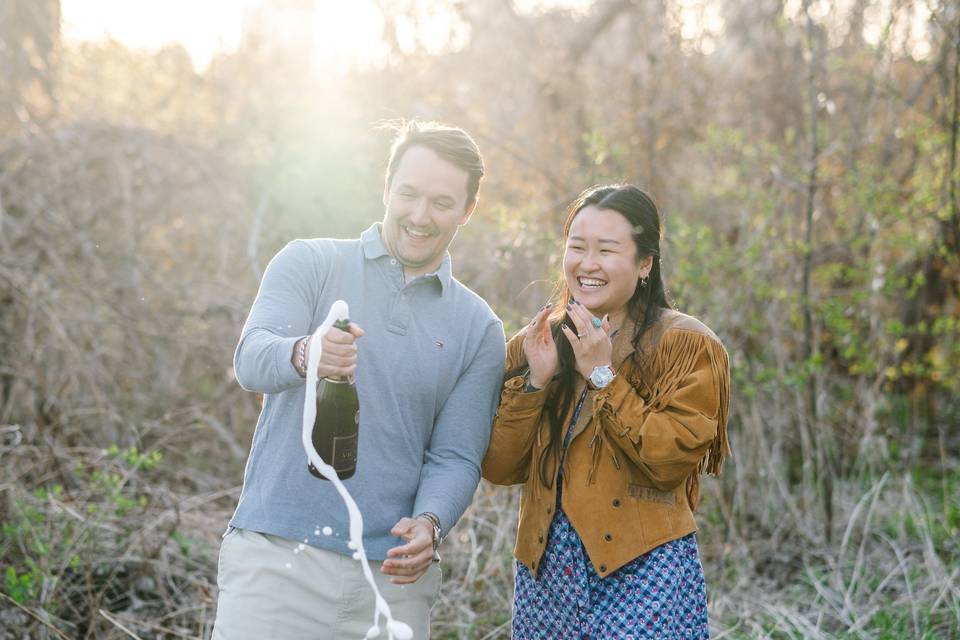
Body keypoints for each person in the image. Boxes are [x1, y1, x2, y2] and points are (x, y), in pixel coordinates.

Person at [212, 121, 506, 639]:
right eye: (409, 194)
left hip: (392, 584)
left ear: (467, 211)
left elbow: (456, 455)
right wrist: (307, 353)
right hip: (277, 562)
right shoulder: (310, 261)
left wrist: (431, 522)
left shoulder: (479, 327)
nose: (420, 216)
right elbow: (251, 359)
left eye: (441, 203)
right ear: (386, 187)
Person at [482, 184, 730, 639]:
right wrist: (534, 383)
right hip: (546, 575)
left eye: (606, 250)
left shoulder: (685, 345)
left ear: (644, 264)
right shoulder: (537, 341)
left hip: (643, 570)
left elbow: (667, 462)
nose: (587, 264)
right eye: (577, 247)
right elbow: (499, 466)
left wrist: (602, 375)